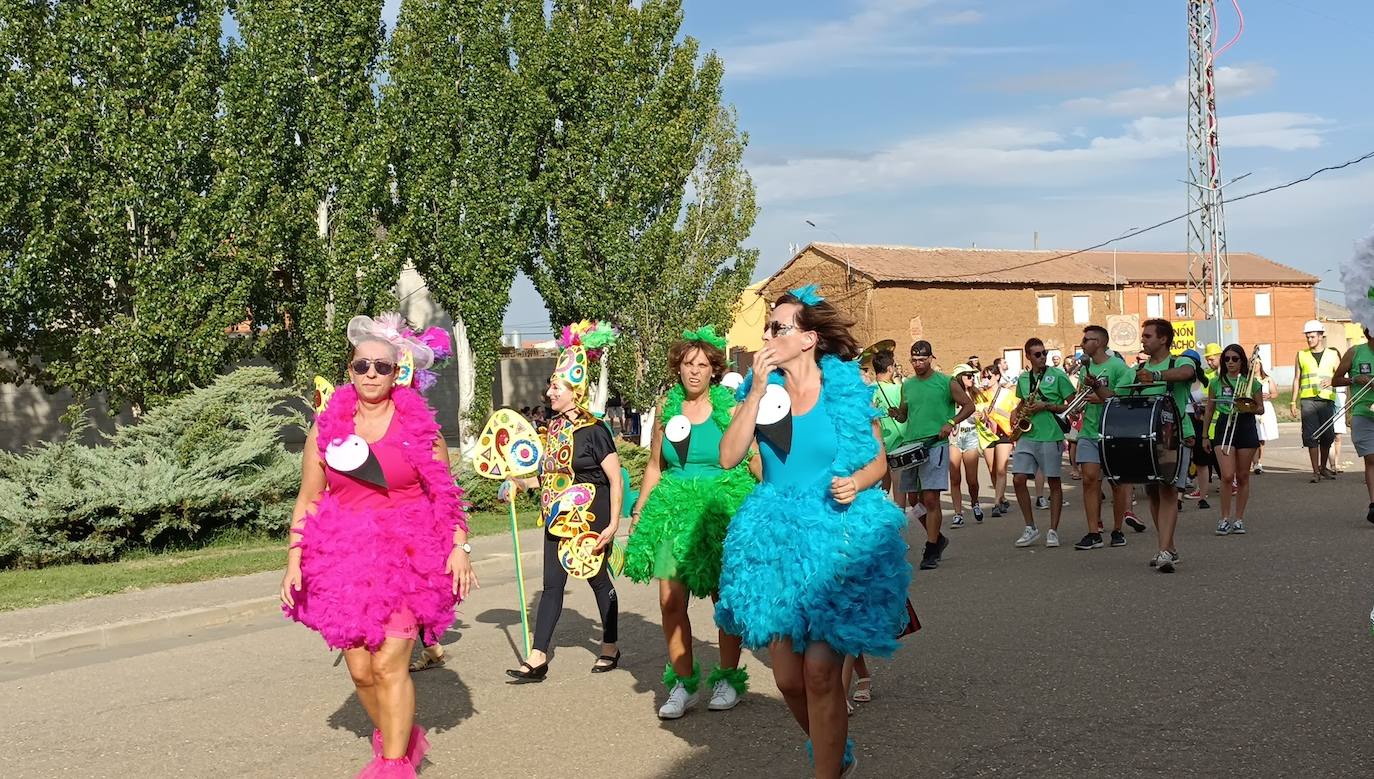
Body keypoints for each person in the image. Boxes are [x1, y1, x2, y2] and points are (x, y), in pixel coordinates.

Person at [716, 284, 910, 778]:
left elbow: (878, 461)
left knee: (822, 671)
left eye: (777, 327)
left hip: (837, 538)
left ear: (808, 339)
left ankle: (826, 772)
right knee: (787, 680)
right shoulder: (763, 391)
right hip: (777, 542)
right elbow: (729, 456)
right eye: (767, 327)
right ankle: (838, 757)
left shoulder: (842, 387)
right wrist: (755, 391)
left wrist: (858, 482)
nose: (767, 335)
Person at [281, 313, 475, 778]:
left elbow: (445, 498)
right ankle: (402, 739)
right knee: (362, 672)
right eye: (361, 366)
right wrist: (293, 560)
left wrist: (458, 547)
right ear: (349, 370)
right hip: (343, 559)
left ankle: (392, 767)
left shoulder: (420, 430)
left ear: (397, 373)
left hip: (409, 556)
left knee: (390, 665)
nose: (371, 374)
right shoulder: (326, 430)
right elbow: (309, 498)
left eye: (381, 367)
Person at [624, 327, 757, 719]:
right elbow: (654, 466)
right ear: (678, 369)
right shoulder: (667, 409)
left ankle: (727, 678)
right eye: (687, 364)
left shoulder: (728, 408)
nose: (694, 371)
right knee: (669, 600)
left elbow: (751, 457)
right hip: (672, 511)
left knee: (724, 600)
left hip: (718, 509)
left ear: (714, 370)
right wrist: (640, 512)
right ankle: (683, 684)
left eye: (702, 365)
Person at [505, 332, 623, 681]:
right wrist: (517, 483)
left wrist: (613, 523)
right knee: (552, 584)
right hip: (557, 516)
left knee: (598, 580)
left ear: (577, 390)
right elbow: (549, 477)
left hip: (592, 512)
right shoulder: (552, 428)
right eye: (550, 386)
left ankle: (610, 645)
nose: (549, 393)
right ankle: (538, 656)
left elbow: (616, 478)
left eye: (557, 387)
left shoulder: (595, 429)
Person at [889, 340, 975, 569]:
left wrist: (951, 422)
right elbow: (904, 415)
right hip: (911, 446)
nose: (917, 364)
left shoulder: (946, 382)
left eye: (921, 359)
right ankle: (938, 539)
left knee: (930, 498)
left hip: (935, 443)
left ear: (930, 359)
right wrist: (896, 413)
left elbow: (969, 405)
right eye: (913, 360)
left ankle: (930, 549)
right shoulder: (907, 384)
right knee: (914, 501)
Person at [1135, 318, 1197, 573]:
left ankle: (1164, 550)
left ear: (1163, 339)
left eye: (1148, 336)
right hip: (1149, 438)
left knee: (1169, 491)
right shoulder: (1138, 369)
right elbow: (1119, 393)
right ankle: (1167, 547)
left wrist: (1156, 375)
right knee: (1153, 492)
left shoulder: (1180, 361)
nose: (1143, 340)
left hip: (1177, 436)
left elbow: (1187, 374)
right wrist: (1098, 390)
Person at [1070, 326, 1137, 551]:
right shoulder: (1085, 368)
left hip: (1112, 431)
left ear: (1098, 342)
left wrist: (1097, 392)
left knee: (1116, 483)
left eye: (1087, 339)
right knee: (1089, 479)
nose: (1082, 343)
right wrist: (1076, 407)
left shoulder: (1118, 367)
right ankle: (1093, 532)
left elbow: (1120, 397)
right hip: (1089, 430)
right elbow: (1083, 395)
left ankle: (1117, 530)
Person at [1011, 338, 1074, 549]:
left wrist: (1046, 405)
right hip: (1027, 435)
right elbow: (1021, 402)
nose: (1042, 357)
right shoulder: (1023, 378)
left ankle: (1053, 530)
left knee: (1054, 482)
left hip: (1050, 435)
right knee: (1019, 479)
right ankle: (1030, 527)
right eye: (1037, 354)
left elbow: (1073, 404)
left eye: (1044, 353)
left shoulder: (1057, 375)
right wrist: (1016, 413)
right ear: (1028, 356)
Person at [1202, 344, 1259, 536]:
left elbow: (1260, 408)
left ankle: (1239, 518)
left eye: (1235, 358)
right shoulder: (1216, 382)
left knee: (1243, 476)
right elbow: (1209, 409)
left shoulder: (1252, 382)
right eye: (1227, 359)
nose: (1231, 362)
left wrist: (1246, 405)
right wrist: (1204, 436)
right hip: (1224, 425)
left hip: (1245, 425)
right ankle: (1224, 518)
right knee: (1227, 476)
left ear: (1241, 360)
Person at [1331, 328, 1374, 524]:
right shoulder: (1355, 352)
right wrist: (1355, 379)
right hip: (1363, 412)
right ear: (1368, 333)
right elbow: (1336, 379)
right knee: (1371, 458)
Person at [1291, 319, 1341, 481]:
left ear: (1321, 336)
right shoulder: (1301, 355)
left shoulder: (1333, 354)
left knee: (1327, 436)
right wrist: (1293, 401)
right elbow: (1296, 379)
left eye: (1312, 336)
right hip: (1308, 400)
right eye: (1307, 337)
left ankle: (1323, 466)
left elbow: (1340, 377)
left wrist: (1332, 381)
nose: (1309, 339)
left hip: (1326, 400)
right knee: (1311, 436)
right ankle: (1315, 472)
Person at [948, 364, 989, 526]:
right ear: (959, 378)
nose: (972, 378)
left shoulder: (977, 394)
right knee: (955, 477)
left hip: (971, 435)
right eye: (968, 375)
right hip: (954, 438)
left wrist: (982, 417)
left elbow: (985, 417)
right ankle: (958, 513)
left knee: (972, 479)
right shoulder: (950, 395)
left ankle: (975, 502)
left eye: (972, 376)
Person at [982, 362, 1017, 517]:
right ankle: (1001, 497)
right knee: (992, 469)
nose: (986, 379)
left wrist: (999, 411)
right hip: (987, 433)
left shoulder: (1008, 394)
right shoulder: (981, 395)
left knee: (1001, 469)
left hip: (1004, 432)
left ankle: (996, 503)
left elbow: (1014, 416)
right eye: (983, 376)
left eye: (989, 376)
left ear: (997, 376)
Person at [870, 350, 904, 497]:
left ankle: (881, 514)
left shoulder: (867, 390)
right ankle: (898, 516)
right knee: (899, 486)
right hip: (898, 441)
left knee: (882, 486)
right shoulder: (899, 389)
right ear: (890, 368)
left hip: (877, 443)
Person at [1254, 361, 1279, 473]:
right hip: (1251, 408)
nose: (1254, 366)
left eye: (1256, 364)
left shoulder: (1267, 379)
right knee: (1253, 436)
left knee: (1261, 437)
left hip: (1264, 408)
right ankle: (1252, 462)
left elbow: (1275, 393)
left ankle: (1259, 461)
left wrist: (1269, 395)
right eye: (1252, 363)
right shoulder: (1247, 379)